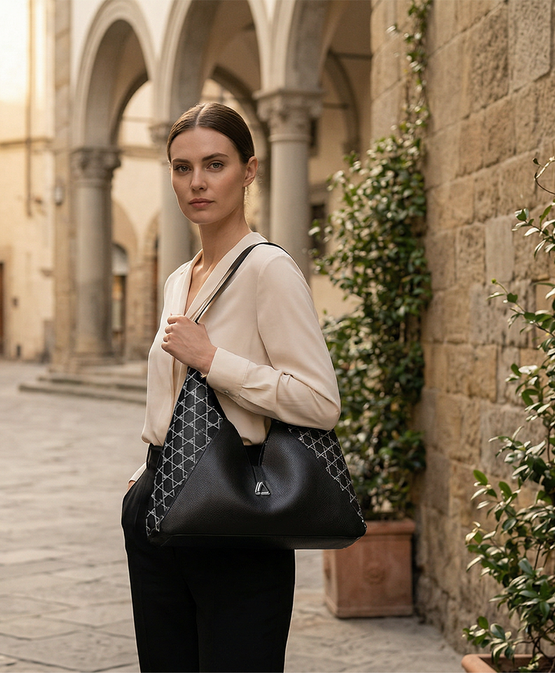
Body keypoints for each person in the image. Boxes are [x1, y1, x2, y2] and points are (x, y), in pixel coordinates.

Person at [121, 102, 341, 672]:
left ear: (249, 171)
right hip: (159, 505)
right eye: (182, 167)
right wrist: (149, 470)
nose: (196, 182)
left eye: (214, 164)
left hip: (238, 511)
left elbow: (320, 402)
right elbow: (172, 395)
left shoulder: (269, 269)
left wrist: (213, 359)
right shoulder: (178, 279)